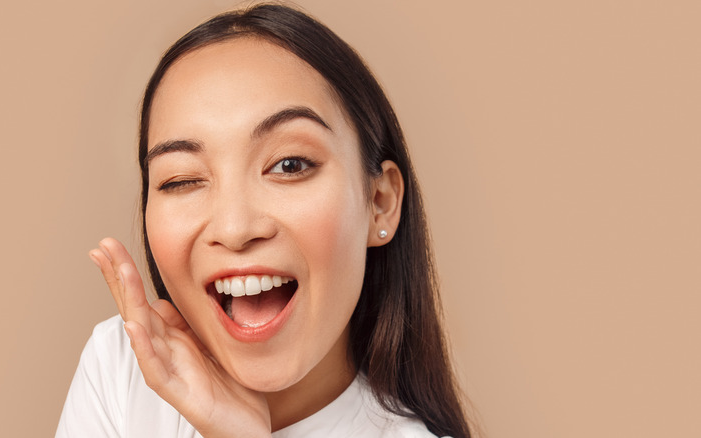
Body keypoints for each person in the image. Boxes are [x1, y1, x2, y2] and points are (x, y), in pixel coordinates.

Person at [56, 3, 471, 437]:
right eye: (182, 180)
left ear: (379, 201)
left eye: (290, 164)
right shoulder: (124, 369)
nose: (235, 229)